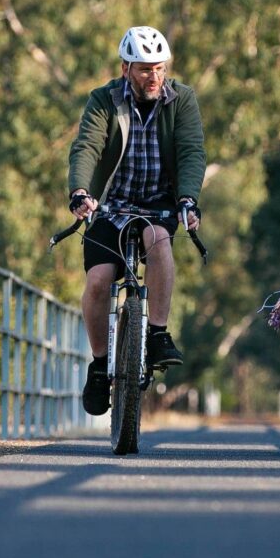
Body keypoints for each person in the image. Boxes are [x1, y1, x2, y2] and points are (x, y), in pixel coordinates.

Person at [67, 25, 205, 416]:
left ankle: (157, 333)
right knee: (98, 281)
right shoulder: (104, 99)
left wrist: (187, 199)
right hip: (110, 205)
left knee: (159, 242)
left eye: (159, 68)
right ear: (125, 68)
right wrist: (80, 191)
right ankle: (99, 366)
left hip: (158, 205)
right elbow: (87, 147)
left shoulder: (181, 100)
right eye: (145, 69)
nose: (154, 77)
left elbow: (191, 151)